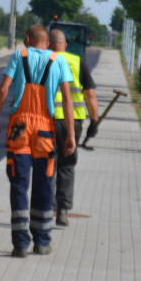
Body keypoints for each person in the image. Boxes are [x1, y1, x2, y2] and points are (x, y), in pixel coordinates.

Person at [0, 25, 76, 257]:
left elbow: (3, 89)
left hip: (19, 127)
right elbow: (67, 100)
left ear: (27, 40)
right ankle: (42, 240)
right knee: (44, 182)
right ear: (46, 43)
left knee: (19, 182)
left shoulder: (20, 55)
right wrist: (70, 134)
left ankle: (20, 243)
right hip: (45, 130)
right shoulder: (59, 61)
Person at [49, 28, 100, 226]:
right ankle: (63, 210)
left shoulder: (44, 61)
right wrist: (94, 122)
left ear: (48, 44)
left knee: (48, 163)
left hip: (48, 120)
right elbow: (91, 96)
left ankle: (45, 207)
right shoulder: (78, 62)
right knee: (67, 164)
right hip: (73, 122)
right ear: (66, 45)